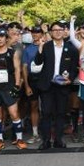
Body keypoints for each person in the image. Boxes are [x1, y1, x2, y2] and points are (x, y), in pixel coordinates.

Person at [32, 20, 79, 149]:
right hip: (47, 85)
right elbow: (37, 62)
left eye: (60, 30)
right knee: (46, 113)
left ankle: (58, 139)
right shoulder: (46, 46)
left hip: (63, 85)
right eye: (55, 30)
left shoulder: (71, 49)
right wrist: (40, 49)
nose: (57, 32)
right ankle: (46, 140)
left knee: (61, 113)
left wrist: (71, 79)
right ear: (51, 32)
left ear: (64, 31)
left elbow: (75, 67)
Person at [0, 28, 27, 150]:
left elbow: (17, 69)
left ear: (6, 39)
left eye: (1, 37)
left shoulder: (13, 52)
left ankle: (19, 139)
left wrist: (17, 85)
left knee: (14, 114)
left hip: (8, 87)